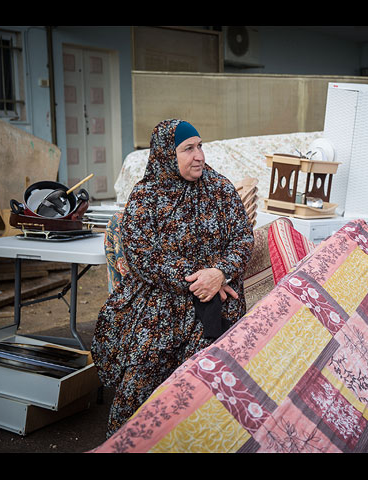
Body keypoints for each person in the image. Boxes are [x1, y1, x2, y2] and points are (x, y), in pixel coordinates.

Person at [91, 118, 254, 436]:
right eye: (188, 149)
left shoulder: (218, 188)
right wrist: (201, 279)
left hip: (212, 306)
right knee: (138, 383)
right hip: (159, 309)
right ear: (167, 153)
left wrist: (220, 273)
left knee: (200, 387)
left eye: (201, 146)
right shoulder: (146, 196)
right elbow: (143, 258)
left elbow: (243, 238)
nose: (199, 156)